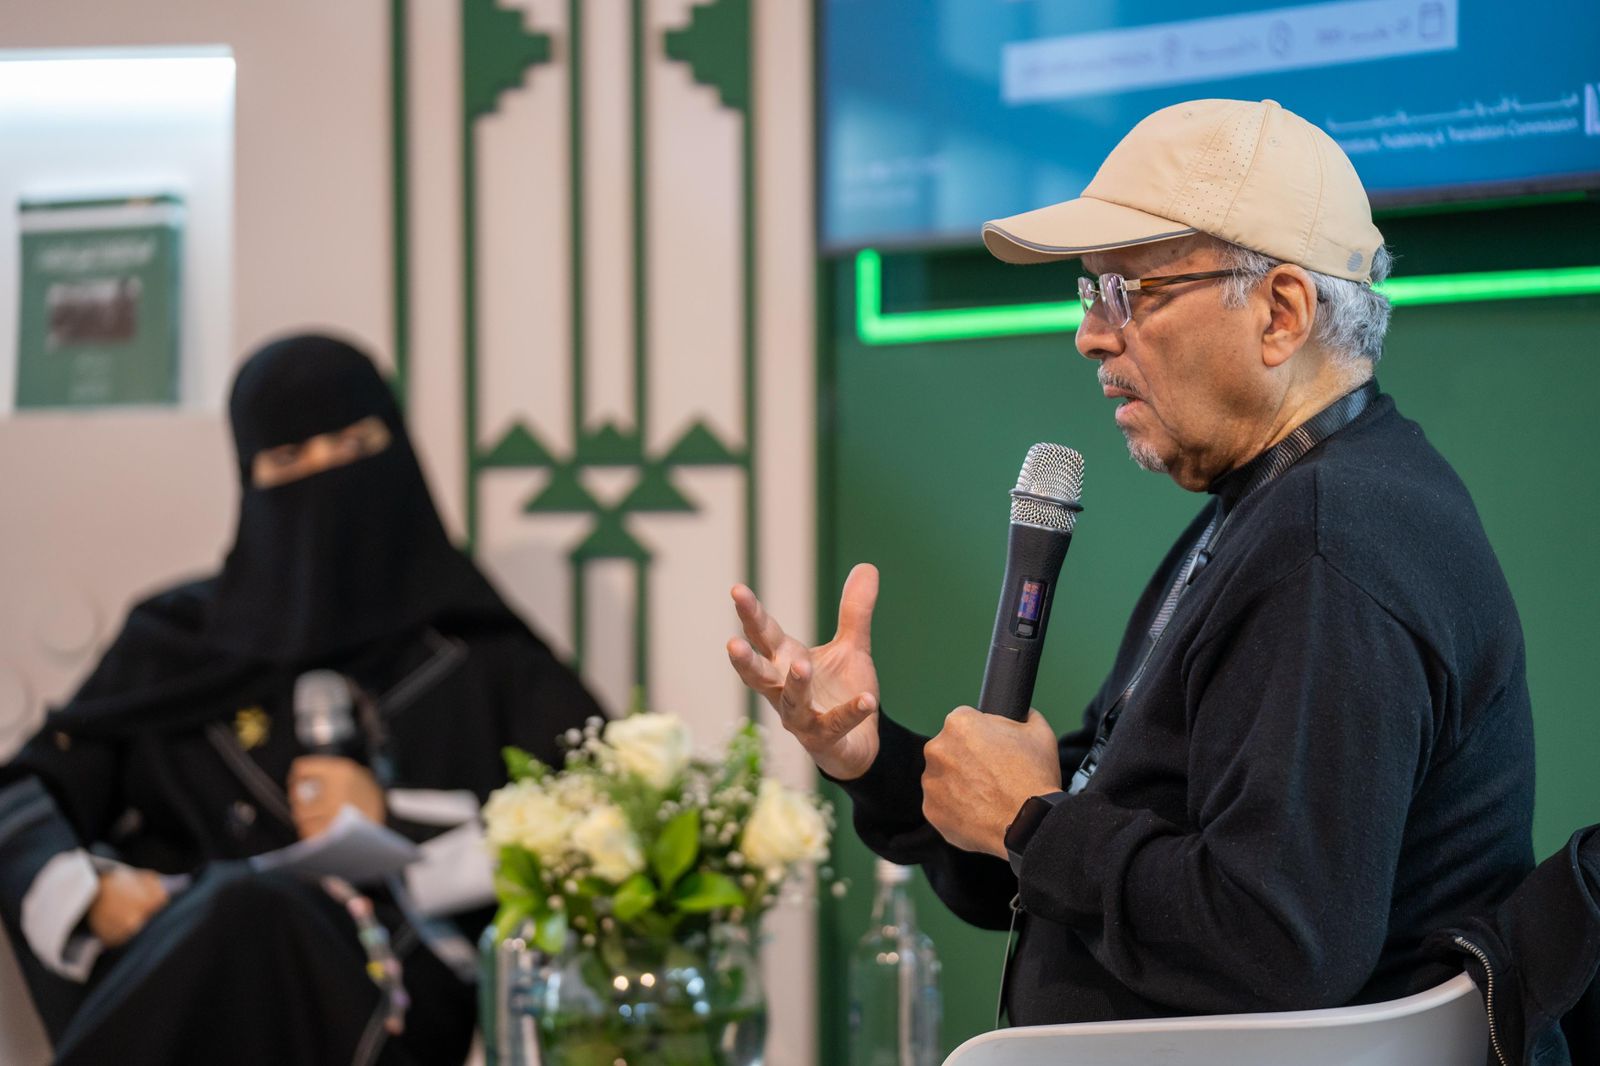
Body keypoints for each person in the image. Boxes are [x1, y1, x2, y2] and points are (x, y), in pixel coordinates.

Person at [727, 99, 1536, 1027]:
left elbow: (1278, 945)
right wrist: (869, 757)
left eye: (1132, 291)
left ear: (1280, 314)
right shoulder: (1271, 506)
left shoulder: (1332, 542)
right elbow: (1072, 838)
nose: (1092, 334)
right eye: (1091, 294)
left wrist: (1032, 823)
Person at [0, 333, 604, 1065]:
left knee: (250, 910)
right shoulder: (177, 642)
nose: (324, 476)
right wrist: (87, 892)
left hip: (388, 1005)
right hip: (187, 993)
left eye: (351, 446)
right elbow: (25, 793)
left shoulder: (475, 652)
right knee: (231, 908)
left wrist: (397, 821)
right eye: (288, 460)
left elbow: (601, 822)